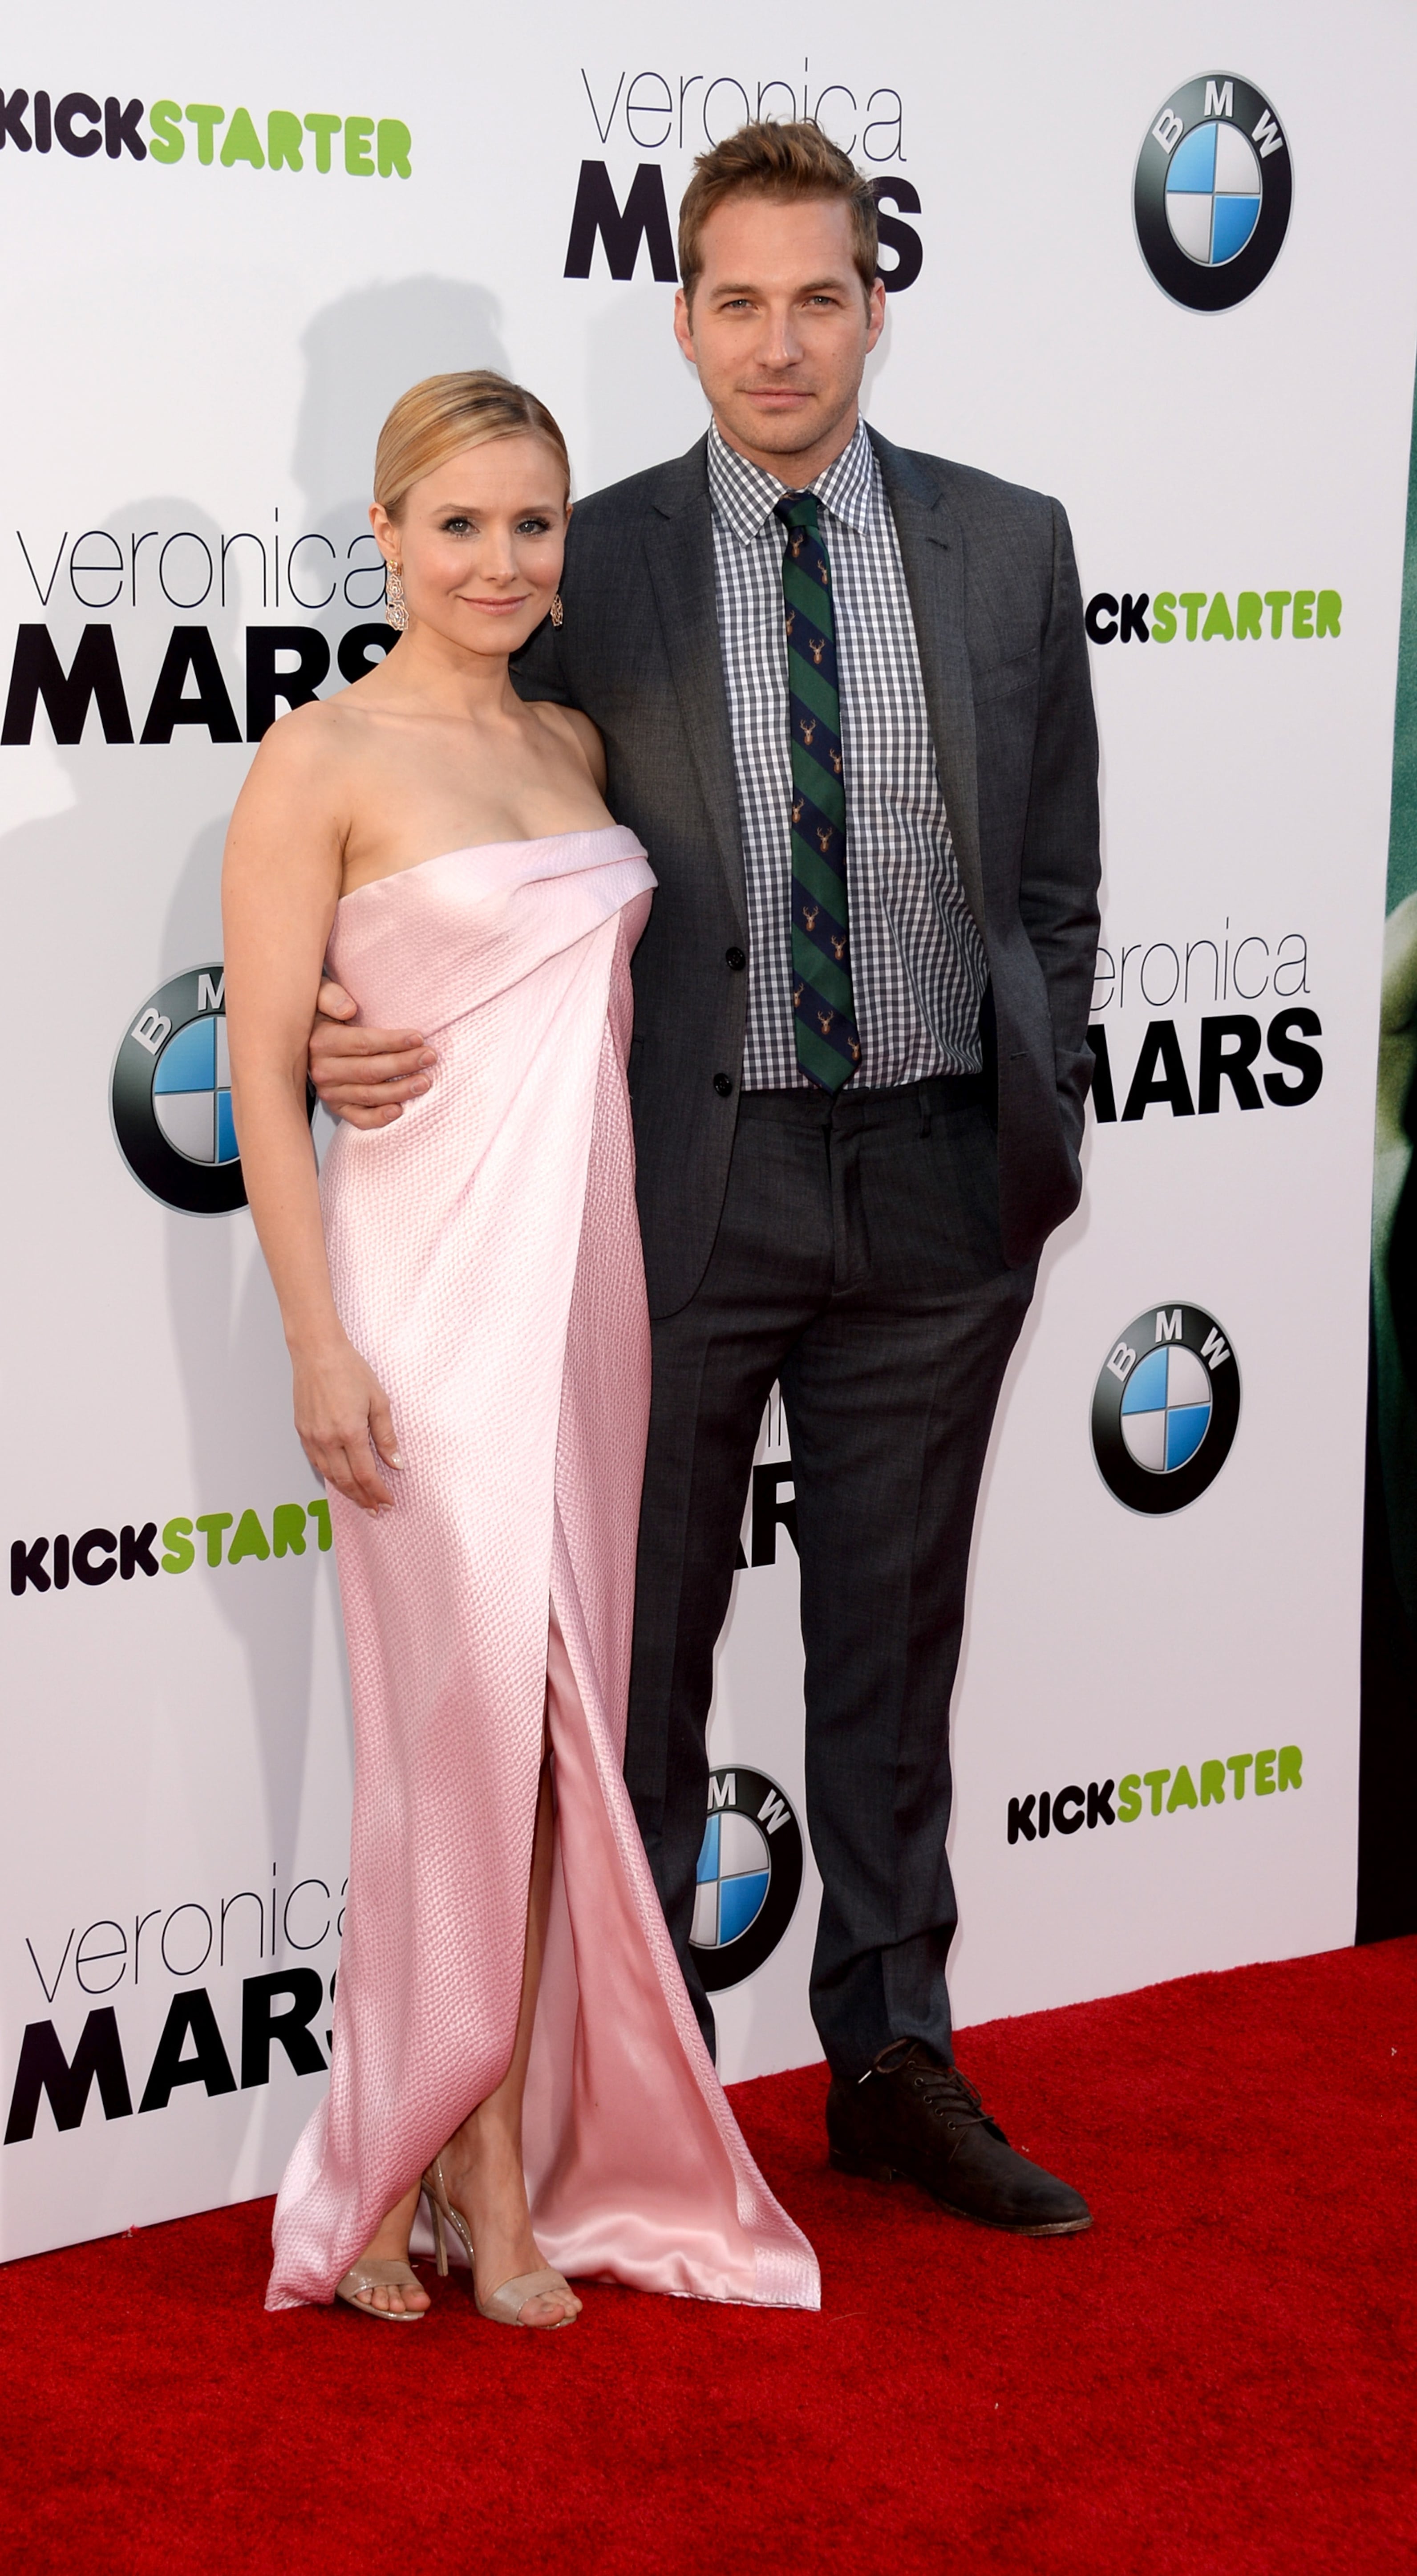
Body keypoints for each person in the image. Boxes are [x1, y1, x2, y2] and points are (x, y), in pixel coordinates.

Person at [311, 125, 1101, 2236]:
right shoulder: (597, 562)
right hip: (677, 1188)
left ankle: (896, 2059)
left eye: (817, 295)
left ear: (873, 303)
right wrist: (316, 1014)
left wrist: (1051, 1096)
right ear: (680, 317)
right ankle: (603, 2098)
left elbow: (1059, 881)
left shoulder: (1012, 548)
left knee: (894, 1650)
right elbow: (456, 828)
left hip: (944, 1187)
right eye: (735, 300)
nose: (778, 339)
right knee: (634, 1661)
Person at [224, 370, 819, 2329]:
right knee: (446, 1737)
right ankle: (422, 2147)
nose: (498, 561)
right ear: (384, 532)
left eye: (533, 525)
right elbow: (256, 1074)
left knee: (559, 1747)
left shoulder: (579, 739)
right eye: (458, 523)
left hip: (589, 1300)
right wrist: (319, 1342)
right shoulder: (315, 760)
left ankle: (486, 2141)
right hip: (415, 1305)